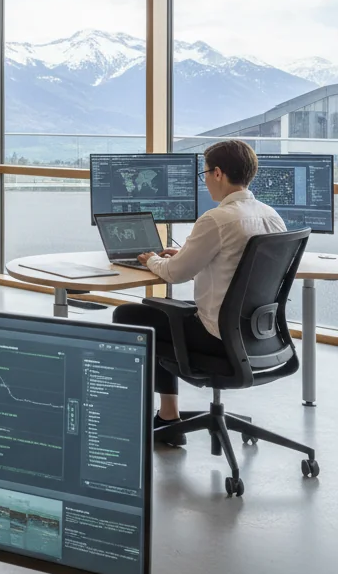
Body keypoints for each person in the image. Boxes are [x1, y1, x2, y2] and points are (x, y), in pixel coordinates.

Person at [113, 139, 286, 445]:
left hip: (218, 339)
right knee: (166, 311)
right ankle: (167, 417)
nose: (204, 180)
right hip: (260, 337)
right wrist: (179, 255)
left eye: (205, 173)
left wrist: (151, 259)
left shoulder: (217, 219)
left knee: (131, 313)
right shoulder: (273, 217)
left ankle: (165, 416)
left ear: (218, 173)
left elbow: (175, 273)